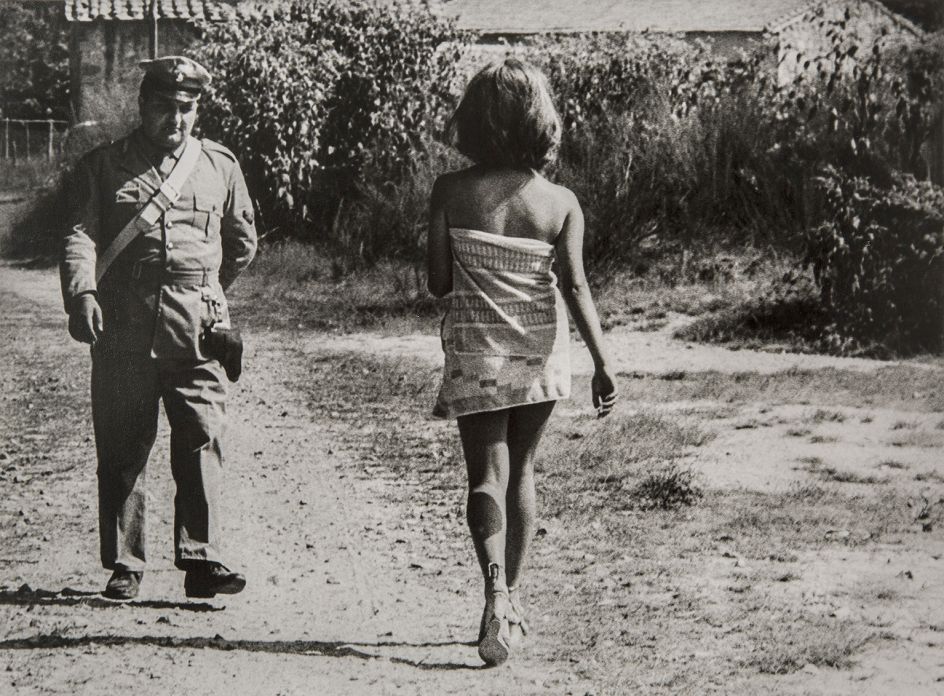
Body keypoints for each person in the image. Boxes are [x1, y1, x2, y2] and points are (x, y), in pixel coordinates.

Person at [427, 58, 618, 666]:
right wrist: (604, 364)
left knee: (486, 476)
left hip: (477, 351)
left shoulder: (451, 191)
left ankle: (492, 592)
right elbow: (578, 289)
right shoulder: (561, 202)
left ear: (475, 121)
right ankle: (511, 602)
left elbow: (437, 282)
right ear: (541, 120)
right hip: (541, 351)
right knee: (524, 474)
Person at [60, 56, 257, 601]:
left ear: (198, 110)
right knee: (124, 443)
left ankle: (202, 558)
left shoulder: (220, 165)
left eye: (187, 109)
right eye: (165, 107)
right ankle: (126, 563)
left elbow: (241, 242)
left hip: (197, 330)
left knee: (201, 437)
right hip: (123, 324)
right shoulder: (103, 166)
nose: (176, 119)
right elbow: (81, 235)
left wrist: (207, 290)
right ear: (143, 106)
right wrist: (83, 293)